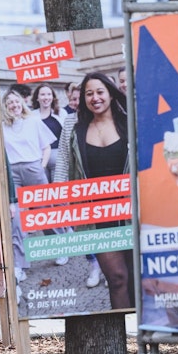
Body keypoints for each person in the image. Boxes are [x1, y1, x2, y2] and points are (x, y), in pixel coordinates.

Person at [54, 72, 132, 307]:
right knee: (116, 278)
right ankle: (119, 329)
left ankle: (141, 335)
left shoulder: (128, 120)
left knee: (137, 277)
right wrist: (60, 197)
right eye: (89, 93)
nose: (95, 98)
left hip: (132, 209)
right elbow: (64, 162)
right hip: (95, 213)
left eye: (100, 92)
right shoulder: (74, 125)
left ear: (110, 93)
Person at [2, 86, 60, 280]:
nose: (14, 105)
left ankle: (61, 247)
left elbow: (46, 147)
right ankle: (20, 265)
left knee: (44, 213)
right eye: (9, 103)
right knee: (17, 220)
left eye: (16, 101)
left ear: (22, 103)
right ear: (5, 107)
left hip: (34, 168)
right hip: (13, 175)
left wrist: (41, 167)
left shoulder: (33, 121)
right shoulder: (2, 126)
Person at [29, 83, 64, 180]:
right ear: (37, 98)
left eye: (49, 94)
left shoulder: (61, 113)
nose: (46, 97)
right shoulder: (31, 116)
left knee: (58, 189)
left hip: (59, 159)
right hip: (40, 159)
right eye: (42, 94)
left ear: (53, 97)